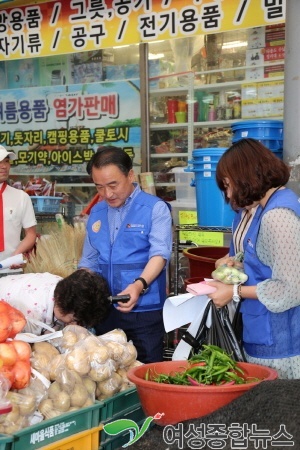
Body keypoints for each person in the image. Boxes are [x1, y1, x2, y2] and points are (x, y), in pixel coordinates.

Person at [206, 138, 300, 379]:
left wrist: (235, 292)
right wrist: (230, 264)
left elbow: (291, 289)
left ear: (246, 176)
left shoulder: (278, 216)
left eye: (228, 185)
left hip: (282, 344)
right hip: (261, 332)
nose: (227, 195)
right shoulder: (255, 209)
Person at [78, 146, 173, 363]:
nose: (107, 194)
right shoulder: (97, 212)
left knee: (146, 374)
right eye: (99, 187)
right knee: (106, 375)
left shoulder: (154, 209)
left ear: (130, 175)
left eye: (113, 185)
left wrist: (139, 285)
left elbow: (160, 254)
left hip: (144, 311)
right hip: (105, 311)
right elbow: (89, 260)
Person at [0, 268, 111, 335]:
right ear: (64, 308)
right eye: (76, 320)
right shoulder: (31, 314)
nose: (77, 324)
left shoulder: (66, 289)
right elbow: (24, 345)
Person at [0, 146, 37, 276]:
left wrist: (17, 254)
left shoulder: (21, 197)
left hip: (11, 270)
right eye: (0, 162)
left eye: (6, 161)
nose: (4, 166)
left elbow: (31, 234)